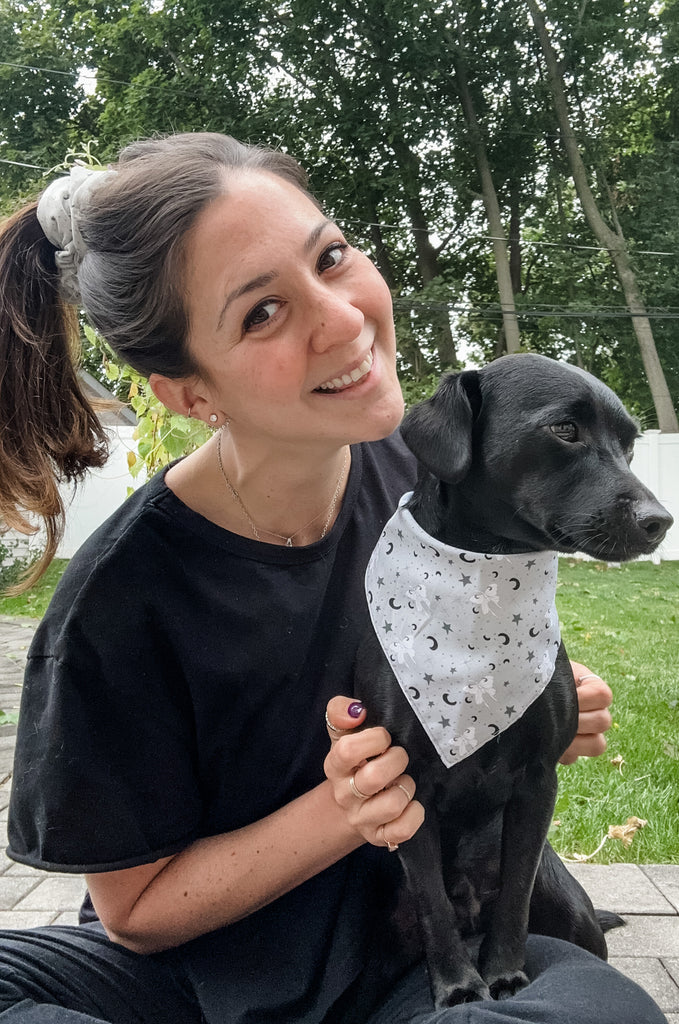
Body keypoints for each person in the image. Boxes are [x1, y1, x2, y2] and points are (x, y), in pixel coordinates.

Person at [0, 132, 666, 1024]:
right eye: (261, 313)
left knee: (599, 1011)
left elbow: (495, 647)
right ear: (189, 395)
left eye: (331, 257)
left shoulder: (437, 480)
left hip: (425, 945)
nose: (344, 318)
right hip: (202, 980)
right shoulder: (119, 602)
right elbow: (135, 916)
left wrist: (527, 705)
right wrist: (347, 806)